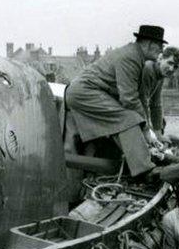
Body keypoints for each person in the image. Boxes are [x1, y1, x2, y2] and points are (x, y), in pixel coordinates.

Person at [65, 25, 167, 177]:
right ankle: (144, 170)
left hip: (88, 92)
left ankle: (138, 162)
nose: (161, 51)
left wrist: (148, 131)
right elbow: (129, 99)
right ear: (149, 44)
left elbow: (138, 100)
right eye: (159, 46)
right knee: (128, 118)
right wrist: (146, 130)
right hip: (86, 93)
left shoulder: (134, 56)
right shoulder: (130, 57)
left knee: (126, 120)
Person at [140, 46, 179, 136]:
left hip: (136, 108)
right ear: (160, 58)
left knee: (161, 122)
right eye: (170, 63)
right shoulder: (148, 68)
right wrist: (147, 131)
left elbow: (156, 104)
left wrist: (158, 134)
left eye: (175, 66)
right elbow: (142, 102)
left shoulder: (160, 75)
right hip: (123, 106)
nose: (171, 69)